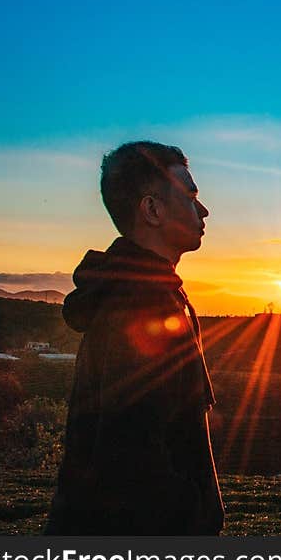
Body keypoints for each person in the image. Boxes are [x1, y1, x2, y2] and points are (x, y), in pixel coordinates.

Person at [45, 141, 224, 535]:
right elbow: (129, 455)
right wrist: (192, 517)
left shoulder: (146, 293)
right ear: (152, 209)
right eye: (191, 196)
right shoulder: (141, 307)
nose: (204, 209)